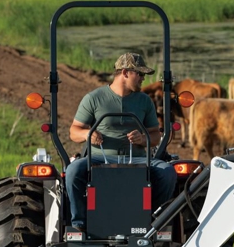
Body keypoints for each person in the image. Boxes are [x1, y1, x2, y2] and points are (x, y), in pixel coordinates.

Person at [65, 52, 177, 231]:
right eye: (139, 74)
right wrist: (88, 134)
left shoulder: (144, 101)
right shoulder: (94, 98)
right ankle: (79, 224)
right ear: (125, 72)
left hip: (138, 159)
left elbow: (155, 135)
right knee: (73, 171)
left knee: (167, 172)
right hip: (100, 158)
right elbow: (74, 131)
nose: (142, 79)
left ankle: (154, 221)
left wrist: (143, 138)